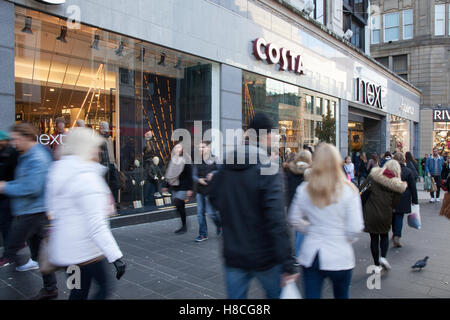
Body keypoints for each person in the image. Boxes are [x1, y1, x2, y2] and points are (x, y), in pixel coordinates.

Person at [209, 113, 299, 299]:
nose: (275, 138)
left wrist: (225, 223)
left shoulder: (226, 167)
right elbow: (277, 220)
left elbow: (214, 200)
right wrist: (288, 263)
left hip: (233, 255)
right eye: (273, 134)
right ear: (265, 136)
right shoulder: (268, 168)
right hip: (265, 258)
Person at [46, 128, 126, 300]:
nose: (98, 151)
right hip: (87, 252)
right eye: (95, 147)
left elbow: (52, 211)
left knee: (77, 290)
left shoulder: (57, 172)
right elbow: (97, 225)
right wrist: (116, 257)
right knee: (104, 287)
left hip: (66, 252)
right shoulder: (87, 179)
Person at [288, 143, 364, 299]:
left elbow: (293, 218)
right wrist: (345, 237)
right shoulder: (349, 191)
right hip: (340, 254)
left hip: (312, 253)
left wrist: (310, 229)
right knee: (342, 295)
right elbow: (356, 228)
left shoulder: (305, 189)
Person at [0, 123, 58, 299]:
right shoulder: (27, 155)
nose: (14, 143)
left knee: (10, 250)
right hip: (30, 211)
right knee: (38, 252)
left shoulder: (37, 157)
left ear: (26, 137)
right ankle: (50, 288)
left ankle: (52, 285)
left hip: (33, 212)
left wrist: (5, 187)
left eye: (17, 139)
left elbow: (32, 187)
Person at [360, 160, 406, 272]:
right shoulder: (396, 185)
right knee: (384, 235)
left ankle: (376, 265)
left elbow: (362, 188)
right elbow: (395, 203)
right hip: (385, 213)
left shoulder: (374, 176)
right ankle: (383, 257)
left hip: (370, 212)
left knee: (374, 238)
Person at [284, 150, 312, 260]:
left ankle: (296, 252)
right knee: (302, 229)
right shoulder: (310, 171)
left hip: (292, 200)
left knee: (296, 227)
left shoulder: (289, 169)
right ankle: (298, 254)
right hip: (306, 202)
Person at [192, 141, 222, 242]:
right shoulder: (197, 160)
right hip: (200, 190)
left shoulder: (215, 159)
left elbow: (221, 171)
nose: (201, 149)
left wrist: (213, 173)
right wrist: (198, 180)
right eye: (199, 148)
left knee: (211, 213)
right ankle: (203, 234)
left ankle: (220, 225)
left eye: (203, 147)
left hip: (210, 190)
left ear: (208, 148)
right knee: (200, 213)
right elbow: (194, 175)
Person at [163, 142, 193, 234]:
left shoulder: (186, 160)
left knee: (178, 202)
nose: (177, 149)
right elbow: (169, 174)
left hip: (184, 186)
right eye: (176, 147)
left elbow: (190, 175)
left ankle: (184, 226)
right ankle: (184, 225)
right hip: (175, 186)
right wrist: (166, 186)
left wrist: (190, 189)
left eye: (179, 147)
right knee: (179, 206)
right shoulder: (172, 161)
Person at [392, 153, 419, 248]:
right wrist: (415, 200)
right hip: (404, 196)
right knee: (399, 216)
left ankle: (394, 232)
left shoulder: (390, 171)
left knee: (393, 216)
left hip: (391, 196)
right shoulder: (408, 171)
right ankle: (397, 235)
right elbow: (413, 187)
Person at [0, 131, 18, 248]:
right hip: (5, 194)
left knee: (7, 224)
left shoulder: (11, 153)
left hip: (7, 195)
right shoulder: (6, 153)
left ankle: (11, 252)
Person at [99, 122, 120, 205]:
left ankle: (113, 202)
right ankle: (106, 203)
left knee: (116, 184)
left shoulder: (109, 138)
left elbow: (111, 151)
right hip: (104, 164)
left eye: (107, 127)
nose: (107, 129)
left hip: (111, 163)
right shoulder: (98, 139)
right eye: (105, 127)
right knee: (105, 185)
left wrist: (114, 162)